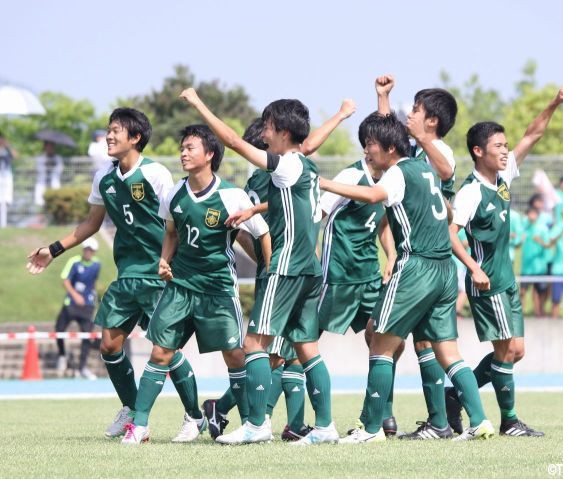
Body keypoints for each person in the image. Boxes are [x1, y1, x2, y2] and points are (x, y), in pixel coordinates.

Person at [27, 108, 200, 439]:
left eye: (116, 130)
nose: (108, 136)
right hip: (126, 276)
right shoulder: (103, 178)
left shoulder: (155, 174)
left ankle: (195, 416)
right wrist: (53, 250)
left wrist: (175, 263)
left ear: (135, 138)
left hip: (158, 275)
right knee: (109, 346)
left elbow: (175, 223)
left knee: (167, 350)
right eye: (108, 130)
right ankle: (133, 412)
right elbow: (90, 225)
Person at [320, 113, 494, 443]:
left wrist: (324, 183)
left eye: (370, 144)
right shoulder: (424, 168)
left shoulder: (398, 172)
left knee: (381, 345)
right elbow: (451, 212)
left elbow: (372, 197)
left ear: (388, 147)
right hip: (445, 270)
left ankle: (371, 429)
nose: (366, 151)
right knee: (448, 353)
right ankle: (480, 421)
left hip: (416, 267)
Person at [181, 87, 339, 445]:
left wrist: (198, 104)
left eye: (267, 126)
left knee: (254, 345)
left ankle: (256, 424)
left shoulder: (284, 164)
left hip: (283, 266)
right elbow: (296, 202)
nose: (263, 133)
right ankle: (325, 426)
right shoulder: (309, 168)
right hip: (310, 269)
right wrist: (254, 209)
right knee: (307, 347)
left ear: (283, 132)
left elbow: (235, 141)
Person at [122, 124, 271, 445]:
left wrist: (268, 271)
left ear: (210, 155)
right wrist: (165, 259)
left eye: (190, 148)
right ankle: (141, 427)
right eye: (182, 148)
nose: (183, 153)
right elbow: (172, 233)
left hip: (218, 290)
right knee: (160, 352)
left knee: (234, 355)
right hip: (180, 287)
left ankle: (250, 424)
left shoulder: (232, 195)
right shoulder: (174, 193)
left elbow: (261, 233)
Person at [447, 87, 563, 437]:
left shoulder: (503, 178)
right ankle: (510, 422)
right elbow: (451, 233)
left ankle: (456, 394)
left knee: (515, 351)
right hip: (487, 282)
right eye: (498, 146)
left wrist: (553, 104)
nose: (505, 151)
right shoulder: (471, 192)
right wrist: (473, 267)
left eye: (505, 146)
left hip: (507, 279)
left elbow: (533, 134)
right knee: (506, 349)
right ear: (478, 151)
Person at [376, 75, 465, 440]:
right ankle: (397, 417)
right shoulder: (415, 152)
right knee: (395, 341)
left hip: (428, 263)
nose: (409, 115)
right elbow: (387, 141)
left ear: (432, 121)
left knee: (402, 340)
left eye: (415, 109)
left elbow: (445, 171)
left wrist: (421, 138)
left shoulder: (440, 152)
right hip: (413, 260)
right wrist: (383, 99)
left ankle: (433, 421)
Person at [318, 112, 398, 437]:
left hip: (368, 276)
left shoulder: (391, 179)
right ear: (368, 147)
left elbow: (380, 221)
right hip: (337, 275)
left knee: (382, 338)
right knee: (301, 342)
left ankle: (378, 420)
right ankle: (275, 418)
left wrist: (390, 253)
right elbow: (318, 213)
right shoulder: (350, 177)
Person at [55, 237, 101, 379]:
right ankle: (62, 355)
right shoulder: (74, 261)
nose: (88, 252)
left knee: (87, 336)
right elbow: (65, 280)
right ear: (83, 249)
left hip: (87, 307)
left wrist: (94, 300)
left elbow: (93, 283)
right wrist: (75, 296)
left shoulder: (97, 264)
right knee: (59, 330)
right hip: (71, 304)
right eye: (87, 249)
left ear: (94, 252)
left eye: (91, 250)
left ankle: (82, 368)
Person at [520, 207, 550, 317]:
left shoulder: (543, 229)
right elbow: (518, 241)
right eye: (529, 213)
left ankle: (538, 312)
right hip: (526, 267)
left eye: (533, 213)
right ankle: (520, 313)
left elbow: (548, 245)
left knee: (539, 292)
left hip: (539, 267)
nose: (531, 216)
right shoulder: (525, 228)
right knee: (522, 291)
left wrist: (540, 241)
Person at [0, 131, 16, 227]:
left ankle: (3, 224)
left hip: (6, 177)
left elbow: (15, 156)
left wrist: (8, 145)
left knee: (5, 201)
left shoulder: (7, 151)